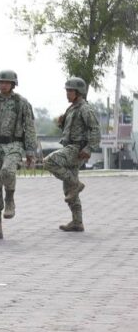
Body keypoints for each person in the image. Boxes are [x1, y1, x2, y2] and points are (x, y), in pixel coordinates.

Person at [0, 69, 38, 240]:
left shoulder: (22, 103)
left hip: (14, 144)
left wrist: (30, 152)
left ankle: (10, 198)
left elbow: (29, 128)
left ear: (13, 84)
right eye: (0, 82)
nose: (3, 85)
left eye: (6, 82)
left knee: (8, 171)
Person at [45, 77, 100, 232]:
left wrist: (89, 149)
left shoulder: (85, 109)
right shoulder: (72, 108)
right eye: (67, 90)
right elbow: (72, 129)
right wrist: (61, 123)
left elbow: (95, 129)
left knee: (49, 161)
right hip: (70, 146)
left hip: (77, 149)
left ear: (79, 92)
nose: (67, 93)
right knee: (69, 190)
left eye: (70, 91)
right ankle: (77, 222)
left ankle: (76, 183)